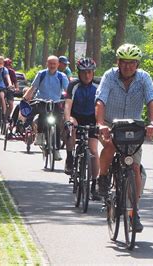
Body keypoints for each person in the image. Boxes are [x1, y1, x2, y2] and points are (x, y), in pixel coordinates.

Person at [95, 44, 153, 232]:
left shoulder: (144, 78)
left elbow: (152, 101)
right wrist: (101, 124)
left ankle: (134, 212)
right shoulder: (109, 76)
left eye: (132, 63)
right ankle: (103, 177)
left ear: (137, 64)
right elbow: (100, 101)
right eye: (124, 62)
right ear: (118, 62)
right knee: (110, 146)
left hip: (132, 126)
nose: (127, 67)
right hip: (110, 124)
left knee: (135, 167)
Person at [63, 58, 100, 198]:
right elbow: (67, 105)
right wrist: (67, 120)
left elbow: (102, 104)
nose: (87, 75)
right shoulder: (73, 85)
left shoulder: (99, 84)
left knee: (94, 150)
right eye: (84, 72)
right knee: (71, 126)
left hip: (92, 117)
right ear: (79, 73)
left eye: (90, 72)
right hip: (76, 116)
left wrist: (100, 123)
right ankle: (70, 157)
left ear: (93, 72)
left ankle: (94, 184)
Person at [22, 55, 69, 160]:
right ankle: (39, 135)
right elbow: (33, 88)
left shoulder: (62, 76)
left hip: (56, 102)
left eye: (54, 64)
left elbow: (68, 91)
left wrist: (71, 99)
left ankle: (56, 150)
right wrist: (25, 99)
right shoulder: (41, 74)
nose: (52, 66)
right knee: (43, 113)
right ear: (47, 64)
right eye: (50, 63)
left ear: (58, 65)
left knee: (57, 124)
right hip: (42, 101)